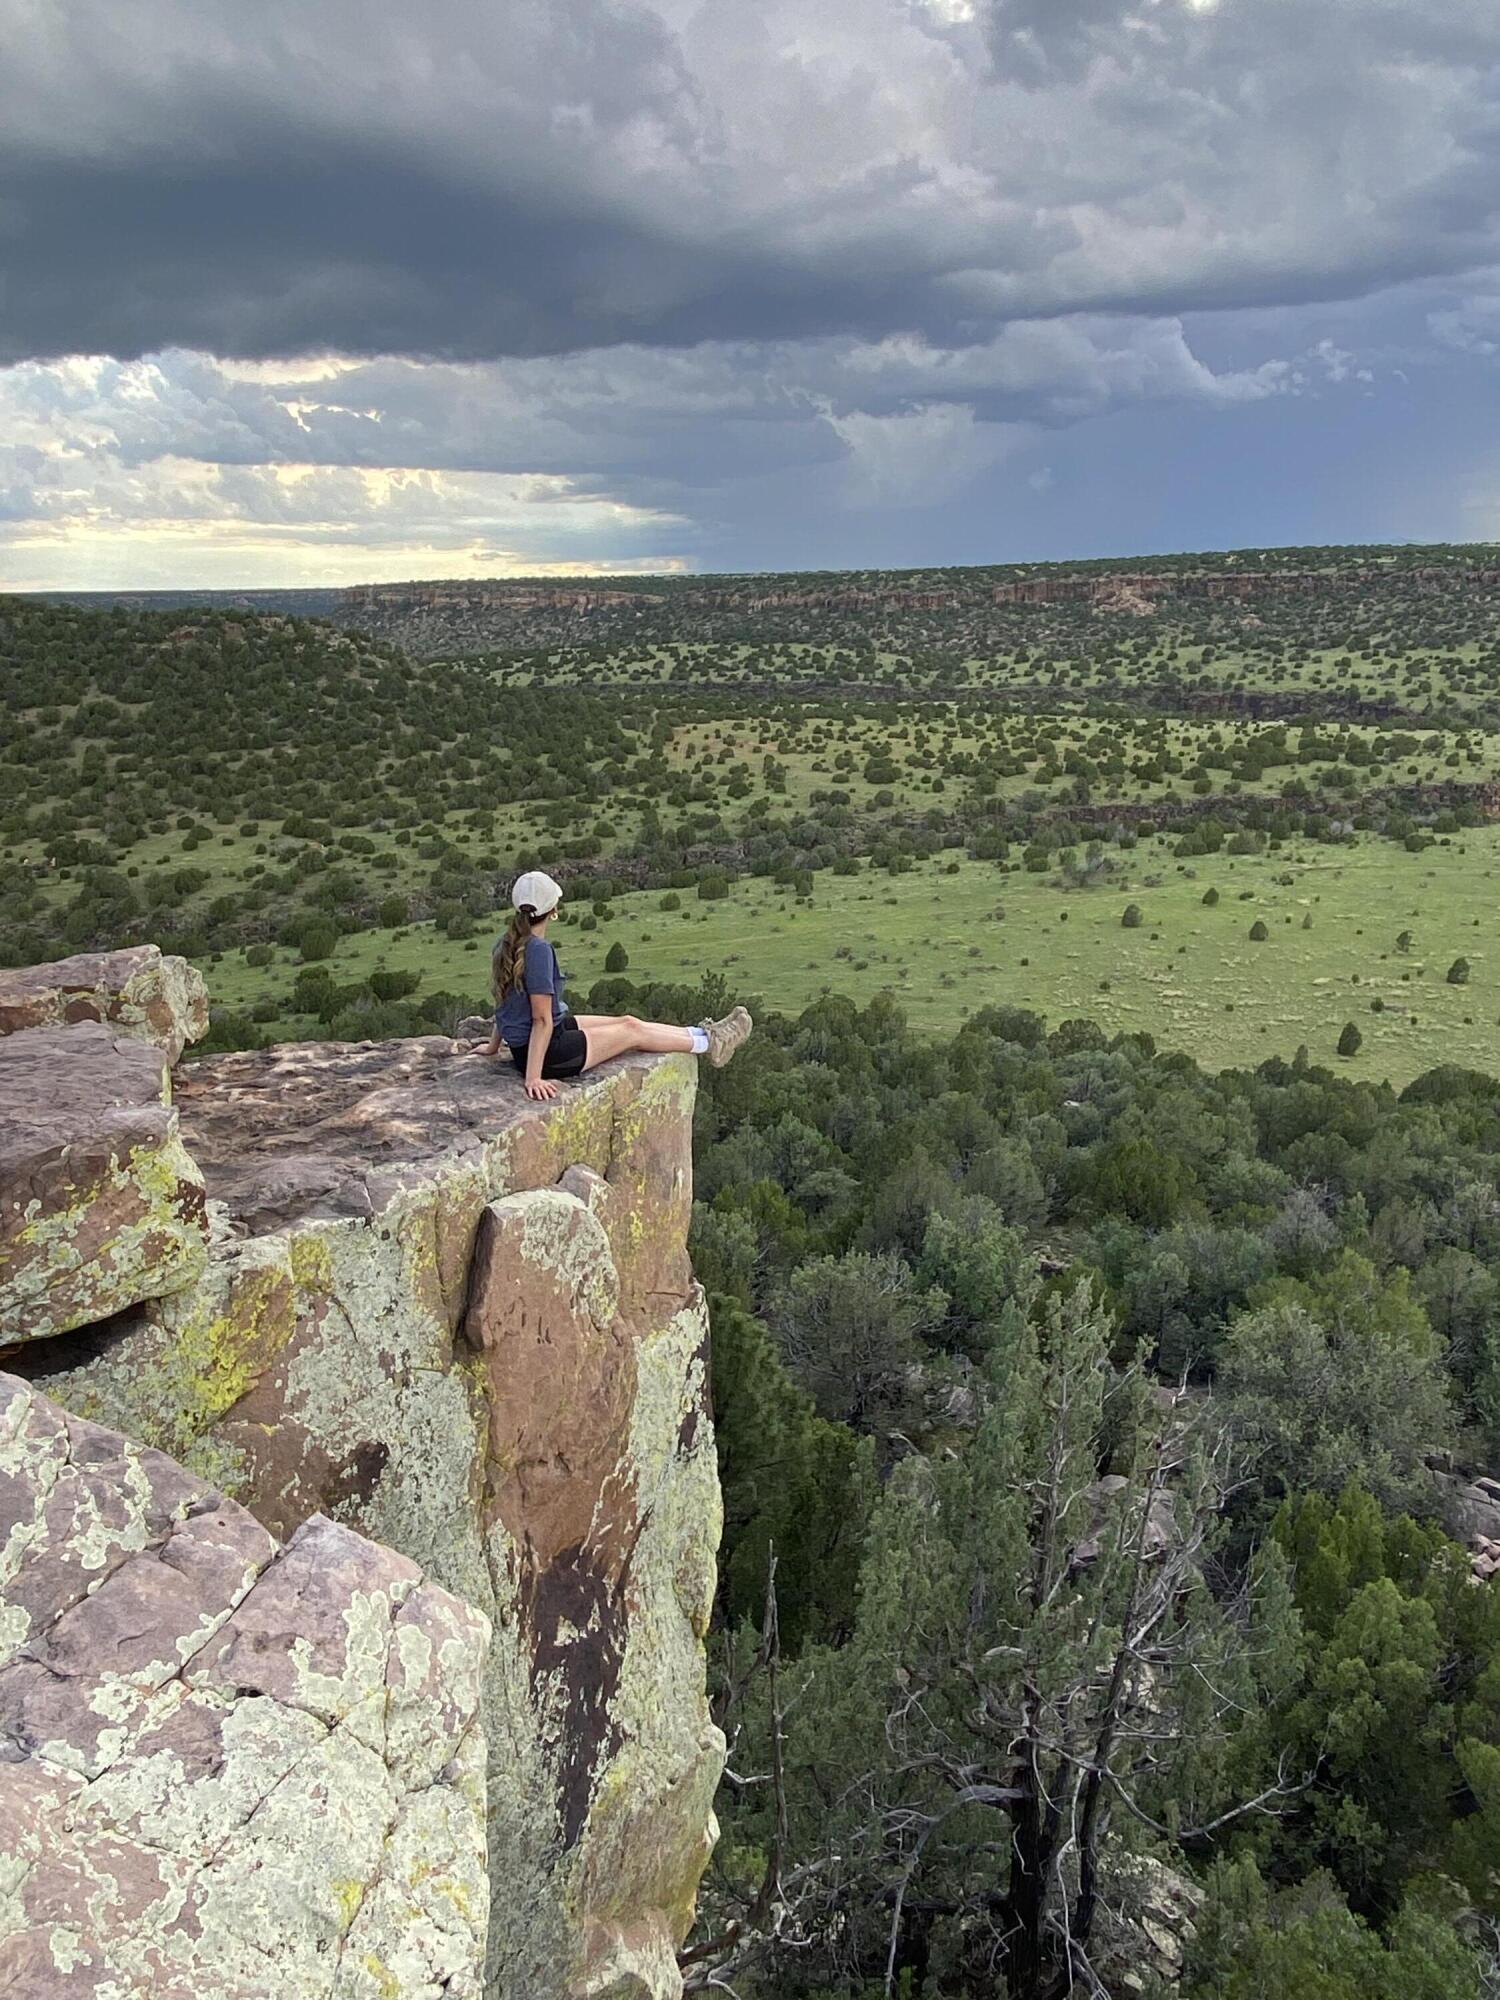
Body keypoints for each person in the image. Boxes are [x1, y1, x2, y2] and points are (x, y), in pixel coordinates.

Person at [481, 869, 753, 1100]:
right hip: (548, 1052)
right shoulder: (537, 950)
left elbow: (504, 1002)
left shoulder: (505, 943)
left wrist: (494, 1048)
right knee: (632, 1032)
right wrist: (533, 1078)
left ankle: (703, 1033)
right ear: (553, 909)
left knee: (628, 1020)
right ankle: (710, 1045)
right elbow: (541, 1019)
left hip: (533, 1043)